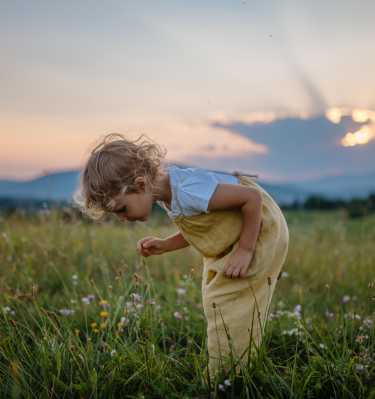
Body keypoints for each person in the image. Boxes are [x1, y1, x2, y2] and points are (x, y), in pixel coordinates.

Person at [73, 133, 289, 384]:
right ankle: (238, 364)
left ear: (141, 185)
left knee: (223, 299)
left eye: (122, 209)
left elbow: (252, 198)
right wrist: (166, 244)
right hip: (236, 236)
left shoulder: (186, 190)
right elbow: (204, 226)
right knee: (217, 296)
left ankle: (229, 376)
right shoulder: (168, 193)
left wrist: (245, 250)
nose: (122, 218)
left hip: (259, 233)